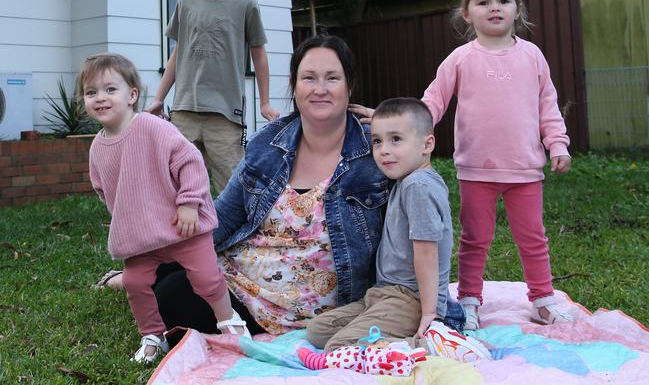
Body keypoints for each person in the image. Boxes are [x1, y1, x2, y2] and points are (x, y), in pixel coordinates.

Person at [350, 0, 574, 331]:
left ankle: (542, 299)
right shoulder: (461, 58)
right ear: (467, 14)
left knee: (533, 238)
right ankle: (470, 299)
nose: (495, 7)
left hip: (525, 169)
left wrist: (558, 144)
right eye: (483, 2)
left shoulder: (532, 56)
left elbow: (547, 105)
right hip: (476, 170)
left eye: (504, 0)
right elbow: (431, 103)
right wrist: (392, 120)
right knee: (475, 239)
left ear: (517, 8)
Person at [150, 35, 390, 335]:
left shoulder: (377, 150)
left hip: (316, 303)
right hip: (241, 277)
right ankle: (139, 275)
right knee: (161, 266)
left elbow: (420, 193)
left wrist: (396, 128)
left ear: (349, 85)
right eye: (309, 78)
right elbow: (224, 215)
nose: (320, 89)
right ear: (294, 85)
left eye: (332, 78)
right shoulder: (270, 142)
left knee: (168, 296)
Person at [81, 53, 250, 363]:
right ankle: (153, 335)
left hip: (181, 226)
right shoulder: (97, 147)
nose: (100, 98)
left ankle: (230, 322)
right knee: (134, 282)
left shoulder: (151, 127)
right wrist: (125, 217)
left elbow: (190, 162)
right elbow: (102, 190)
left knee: (206, 278)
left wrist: (188, 203)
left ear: (132, 95)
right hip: (142, 237)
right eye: (91, 92)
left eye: (109, 90)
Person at [303, 98, 488, 363]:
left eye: (396, 139)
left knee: (339, 346)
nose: (384, 150)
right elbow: (409, 118)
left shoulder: (418, 187)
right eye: (377, 141)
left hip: (409, 299)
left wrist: (430, 313)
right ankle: (416, 333)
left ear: (427, 145)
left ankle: (432, 343)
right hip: (383, 294)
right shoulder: (407, 179)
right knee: (317, 331)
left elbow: (426, 255)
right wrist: (383, 117)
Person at [147, 0, 279, 195]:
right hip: (184, 111)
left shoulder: (246, 5)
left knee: (234, 188)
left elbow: (259, 53)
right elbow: (178, 53)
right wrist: (159, 98)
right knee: (174, 183)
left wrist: (264, 102)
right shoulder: (186, 2)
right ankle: (182, 235)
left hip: (225, 116)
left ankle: (235, 237)